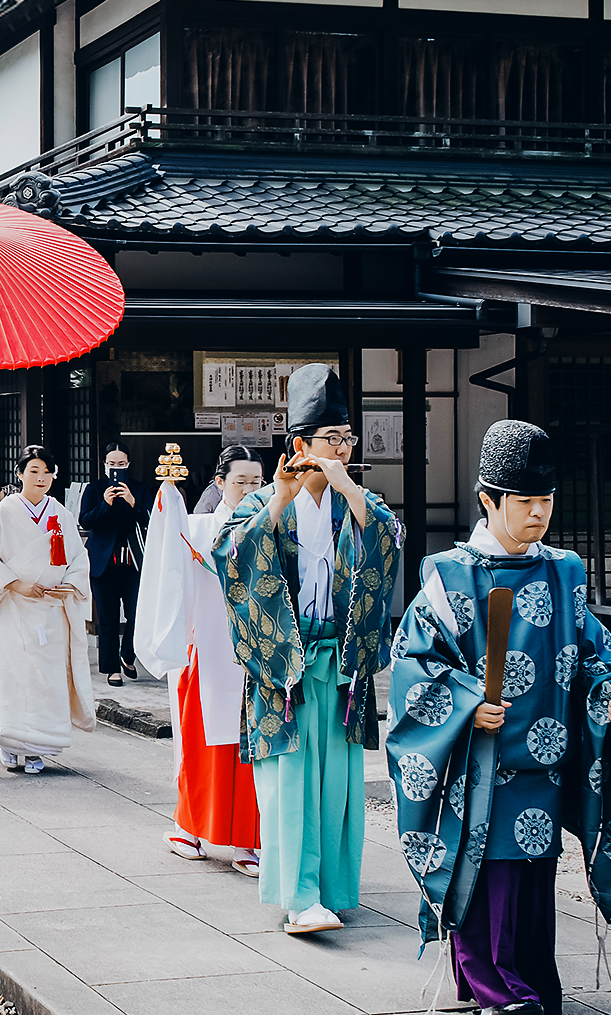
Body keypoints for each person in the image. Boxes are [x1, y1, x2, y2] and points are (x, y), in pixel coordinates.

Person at [387, 419, 611, 1015]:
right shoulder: (449, 577)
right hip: (481, 763)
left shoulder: (563, 572)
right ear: (488, 500)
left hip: (546, 756)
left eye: (546, 501)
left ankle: (520, 975)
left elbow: (594, 648)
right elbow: (416, 663)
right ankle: (494, 986)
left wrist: (607, 691)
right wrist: (459, 703)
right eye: (525, 502)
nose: (539, 514)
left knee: (532, 870)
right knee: (488, 869)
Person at [211, 365, 401, 936]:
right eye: (332, 439)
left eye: (348, 437)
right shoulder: (265, 501)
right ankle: (299, 897)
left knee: (339, 783)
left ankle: (336, 889)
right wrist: (279, 502)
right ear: (300, 445)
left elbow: (389, 544)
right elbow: (232, 556)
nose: (343, 448)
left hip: (342, 666)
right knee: (290, 783)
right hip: (286, 667)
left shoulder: (358, 501)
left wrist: (347, 488)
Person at [137, 446, 265, 878]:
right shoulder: (198, 527)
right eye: (240, 481)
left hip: (254, 656)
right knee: (201, 746)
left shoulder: (272, 524)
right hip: (206, 650)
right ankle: (187, 828)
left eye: (256, 481)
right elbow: (168, 564)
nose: (249, 488)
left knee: (251, 751)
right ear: (219, 483)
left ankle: (249, 840)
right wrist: (169, 501)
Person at [0, 446, 95, 772]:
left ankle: (39, 747)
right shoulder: (4, 511)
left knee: (47, 678)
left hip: (52, 607)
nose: (41, 478)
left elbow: (78, 559)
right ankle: (10, 743)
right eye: (34, 471)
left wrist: (67, 585)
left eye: (47, 472)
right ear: (20, 474)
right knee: (15, 674)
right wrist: (15, 583)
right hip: (15, 606)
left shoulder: (61, 514)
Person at [78, 446, 146, 687]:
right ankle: (112, 669)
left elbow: (150, 518)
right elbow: (85, 520)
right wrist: (105, 504)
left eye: (121, 463)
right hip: (104, 562)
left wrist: (132, 501)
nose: (116, 468)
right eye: (112, 463)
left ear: (128, 464)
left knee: (137, 615)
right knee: (107, 618)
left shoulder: (139, 488)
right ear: (105, 464)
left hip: (133, 563)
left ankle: (128, 654)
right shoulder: (94, 488)